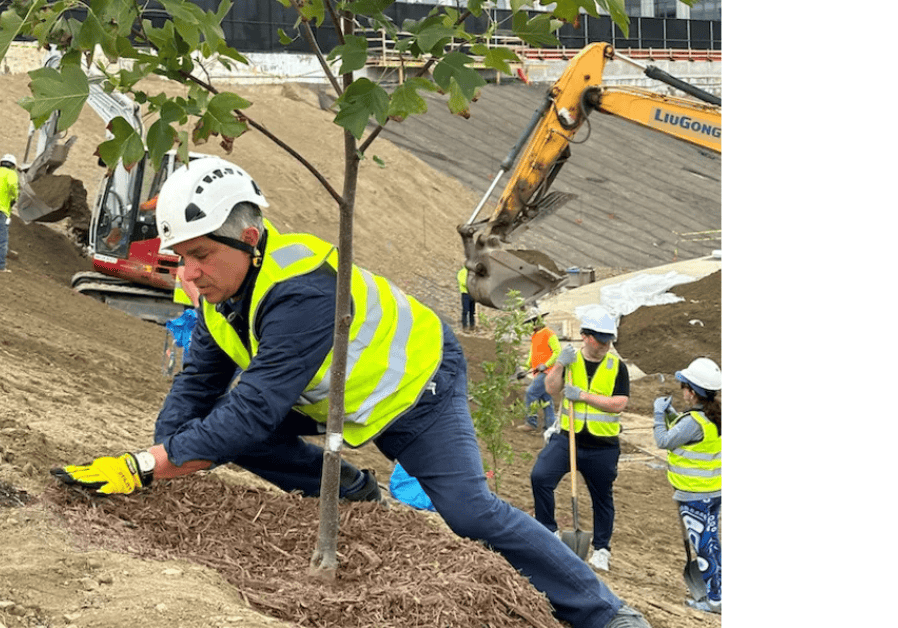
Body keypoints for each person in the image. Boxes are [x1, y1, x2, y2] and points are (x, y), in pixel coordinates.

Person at [51, 157, 653, 628]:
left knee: (470, 512)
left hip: (420, 388)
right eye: (181, 259)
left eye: (201, 256)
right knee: (215, 433)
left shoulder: (303, 287)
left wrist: (145, 467)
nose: (189, 275)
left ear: (251, 236)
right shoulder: (216, 297)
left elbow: (255, 405)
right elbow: (198, 389)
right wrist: (161, 455)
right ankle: (357, 495)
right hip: (337, 399)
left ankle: (604, 611)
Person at [530, 310, 629, 572]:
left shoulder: (617, 366)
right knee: (540, 477)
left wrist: (584, 396)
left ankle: (601, 550)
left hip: (603, 446)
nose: (606, 345)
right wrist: (559, 365)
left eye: (609, 340)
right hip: (568, 438)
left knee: (602, 498)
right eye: (600, 340)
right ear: (585, 337)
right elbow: (551, 389)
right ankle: (548, 532)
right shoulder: (571, 361)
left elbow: (619, 403)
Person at [653, 357, 722, 615]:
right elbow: (686, 433)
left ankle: (714, 600)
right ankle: (720, 592)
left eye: (684, 387)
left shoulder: (694, 421)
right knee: (712, 542)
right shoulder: (711, 416)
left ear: (691, 392)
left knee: (703, 546)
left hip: (694, 495)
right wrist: (672, 415)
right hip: (712, 492)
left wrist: (659, 414)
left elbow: (663, 440)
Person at [517, 314, 562, 433]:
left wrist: (546, 365)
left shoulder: (549, 333)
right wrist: (525, 368)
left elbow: (558, 351)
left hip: (548, 372)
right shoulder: (535, 336)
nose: (532, 325)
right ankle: (551, 427)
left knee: (530, 392)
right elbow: (532, 354)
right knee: (545, 400)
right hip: (540, 372)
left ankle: (531, 423)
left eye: (534, 321)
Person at [456, 266, 476, 332]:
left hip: (472, 294)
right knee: (465, 310)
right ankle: (465, 326)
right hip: (465, 293)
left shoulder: (473, 272)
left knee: (472, 311)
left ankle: (472, 325)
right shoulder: (462, 272)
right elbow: (462, 282)